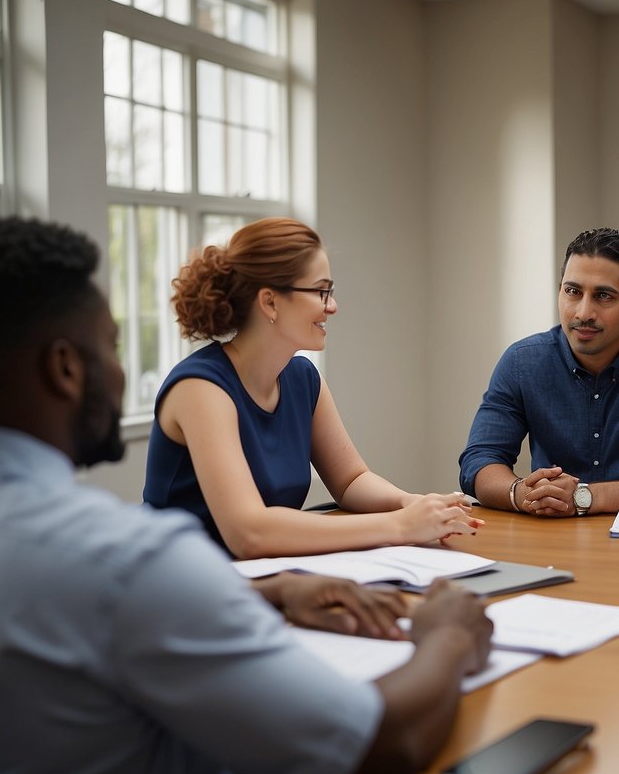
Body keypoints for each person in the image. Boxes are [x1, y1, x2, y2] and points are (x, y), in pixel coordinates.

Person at [0, 217, 493, 774]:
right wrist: (449, 638)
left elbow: (350, 477)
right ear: (63, 368)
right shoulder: (133, 555)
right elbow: (374, 752)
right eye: (110, 345)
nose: (122, 371)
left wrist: (278, 589)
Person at [143, 217, 481, 558]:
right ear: (270, 302)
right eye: (321, 291)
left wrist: (412, 503)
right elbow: (249, 534)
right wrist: (400, 526)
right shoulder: (201, 388)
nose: (332, 306)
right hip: (174, 582)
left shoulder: (303, 378)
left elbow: (350, 481)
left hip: (255, 578)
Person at [458, 227, 619, 517]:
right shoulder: (523, 362)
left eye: (603, 296)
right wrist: (521, 493)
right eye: (572, 291)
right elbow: (479, 460)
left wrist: (585, 497)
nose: (583, 312)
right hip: (550, 538)